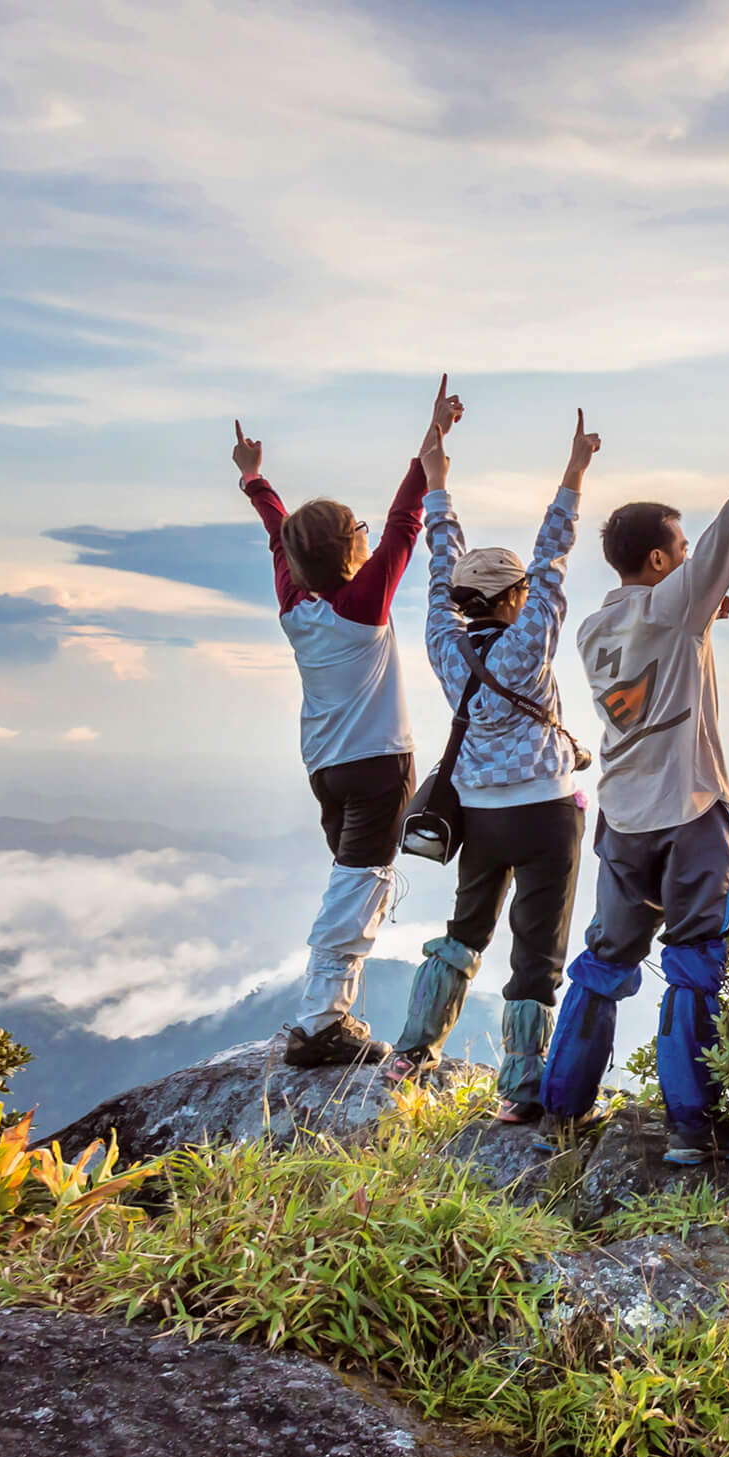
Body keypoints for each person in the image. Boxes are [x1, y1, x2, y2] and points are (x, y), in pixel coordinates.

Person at [537, 386, 729, 1165]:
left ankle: (561, 1108)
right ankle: (691, 1129)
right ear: (663, 560)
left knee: (604, 963)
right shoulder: (675, 609)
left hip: (623, 822)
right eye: (679, 545)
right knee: (696, 964)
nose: (688, 549)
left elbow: (669, 626)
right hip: (692, 810)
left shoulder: (596, 629)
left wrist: (702, 614)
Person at [384, 407, 602, 1122]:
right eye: (522, 593)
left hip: (479, 816)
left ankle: (412, 1051)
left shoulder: (444, 646)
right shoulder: (529, 640)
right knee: (535, 953)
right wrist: (573, 473)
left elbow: (440, 563)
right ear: (515, 600)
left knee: (464, 930)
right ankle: (519, 1091)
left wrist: (437, 482)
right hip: (546, 814)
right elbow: (553, 557)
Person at [235, 379, 459, 1067]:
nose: (369, 533)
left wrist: (254, 479)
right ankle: (321, 1023)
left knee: (353, 876)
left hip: (325, 771)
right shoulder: (360, 608)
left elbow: (281, 537)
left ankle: (329, 1014)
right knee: (360, 884)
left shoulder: (295, 604)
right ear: (349, 550)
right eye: (357, 529)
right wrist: (432, 444)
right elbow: (404, 523)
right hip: (376, 769)